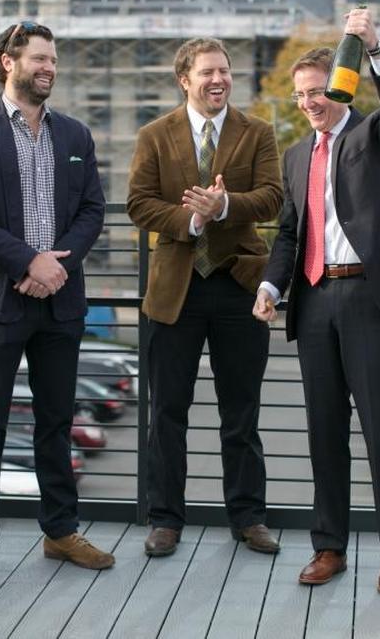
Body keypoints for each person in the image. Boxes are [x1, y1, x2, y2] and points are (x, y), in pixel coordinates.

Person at [253, 8, 380, 596]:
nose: (308, 101)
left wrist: (375, 48)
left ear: (340, 85)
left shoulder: (374, 134)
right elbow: (287, 233)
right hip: (315, 298)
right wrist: (271, 287)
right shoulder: (298, 156)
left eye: (318, 90)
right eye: (300, 94)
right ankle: (329, 547)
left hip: (371, 298)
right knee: (323, 431)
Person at [0, 22, 110, 583]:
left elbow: (93, 210)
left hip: (60, 301)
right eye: (39, 58)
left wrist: (56, 267)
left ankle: (61, 532)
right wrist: (27, 261)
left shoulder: (75, 136)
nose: (49, 68)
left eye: (54, 60)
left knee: (56, 421)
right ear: (7, 61)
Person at [127, 37, 283, 557]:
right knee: (167, 413)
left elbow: (273, 197)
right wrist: (191, 218)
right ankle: (166, 520)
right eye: (208, 72)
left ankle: (248, 518)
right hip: (175, 293)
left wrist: (223, 206)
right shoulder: (154, 135)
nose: (219, 80)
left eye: (225, 71)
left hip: (239, 289)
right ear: (185, 80)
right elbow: (139, 203)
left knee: (241, 413)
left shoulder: (257, 132)